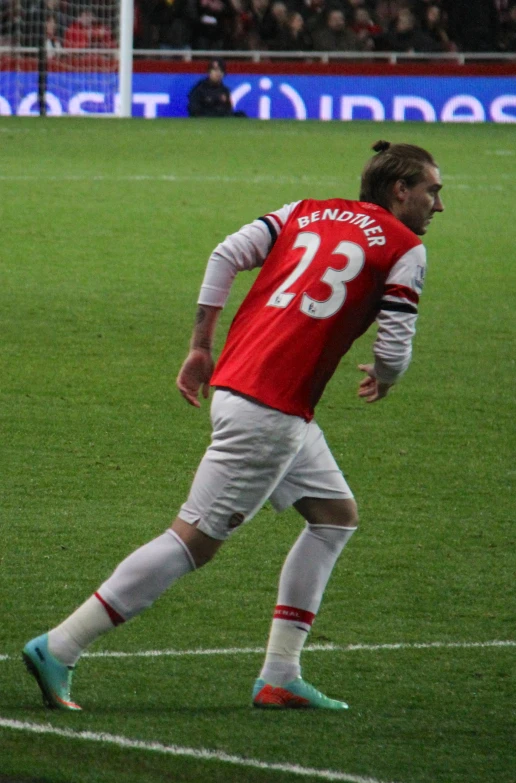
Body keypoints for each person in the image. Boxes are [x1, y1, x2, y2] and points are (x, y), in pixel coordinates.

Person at [22, 141, 444, 712]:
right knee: (190, 542)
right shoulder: (405, 247)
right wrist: (387, 377)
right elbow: (395, 347)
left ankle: (280, 675)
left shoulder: (303, 211)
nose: (436, 205)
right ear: (401, 190)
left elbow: (225, 253)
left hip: (242, 387)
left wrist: (201, 345)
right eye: (432, 191)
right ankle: (60, 645)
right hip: (270, 412)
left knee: (334, 517)